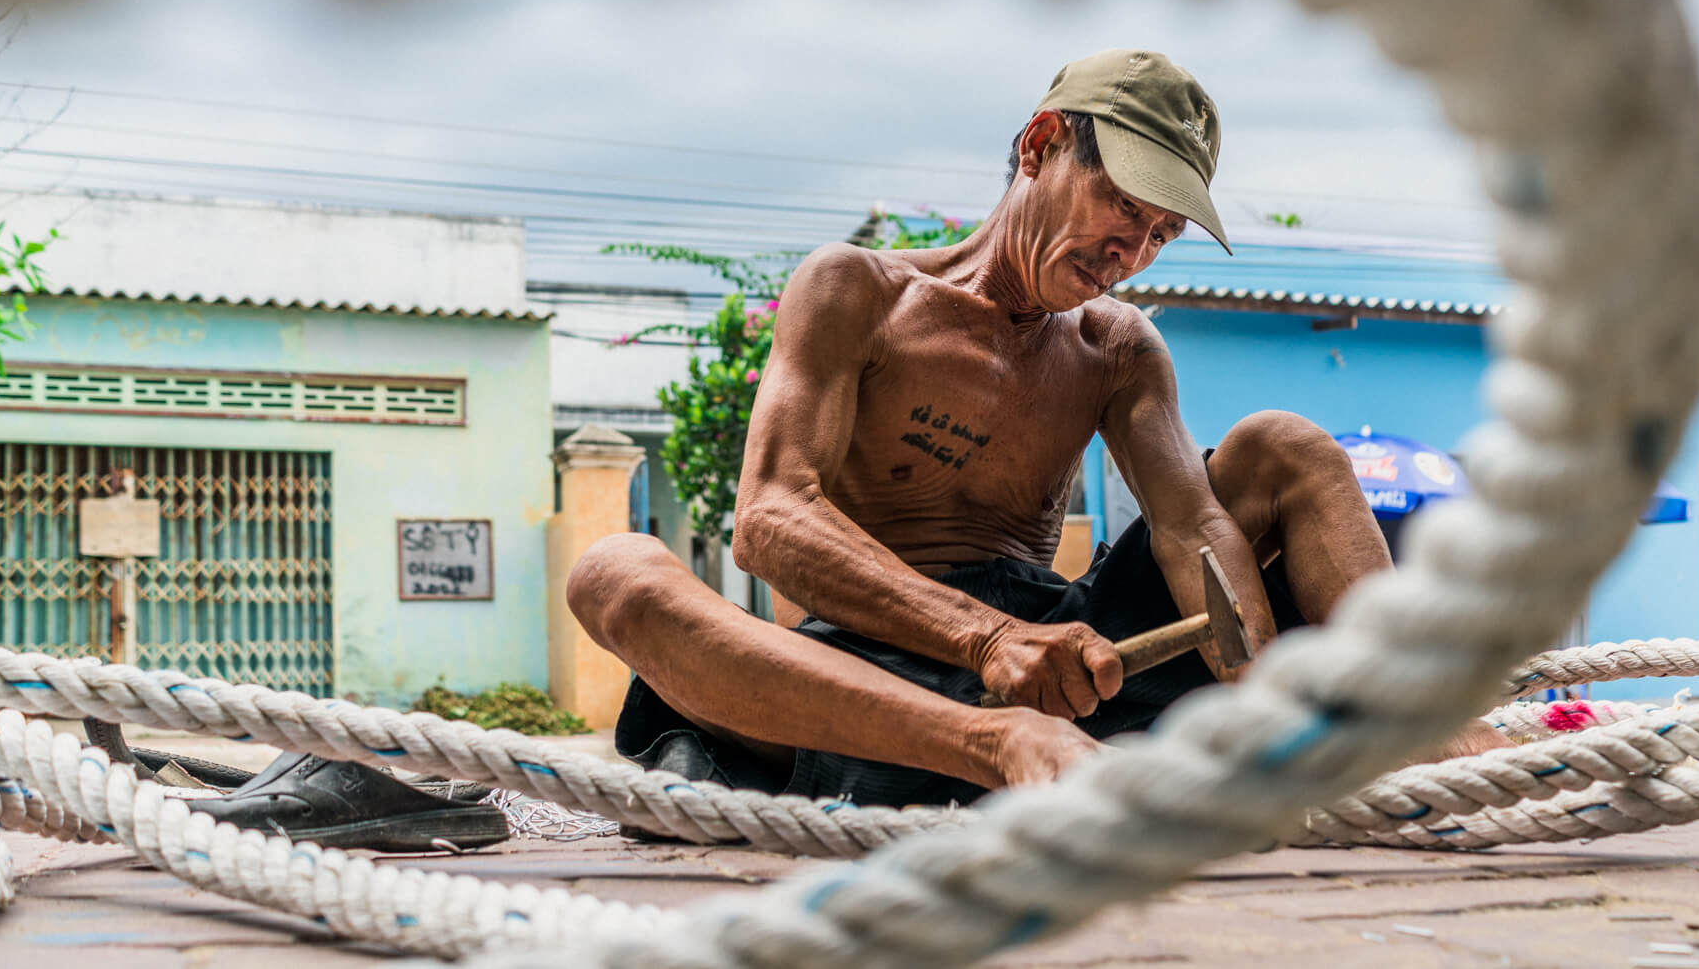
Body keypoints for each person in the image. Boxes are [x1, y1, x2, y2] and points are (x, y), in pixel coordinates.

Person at [570, 48, 1510, 808]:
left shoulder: (1116, 347)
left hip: (1071, 678)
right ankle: (994, 748)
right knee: (612, 572)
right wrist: (986, 643)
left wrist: (1257, 699)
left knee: (1286, 447)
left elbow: (1195, 529)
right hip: (870, 689)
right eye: (1124, 208)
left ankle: (1423, 739)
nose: (1130, 252)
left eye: (1160, 235)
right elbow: (770, 520)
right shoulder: (858, 291)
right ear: (1041, 142)